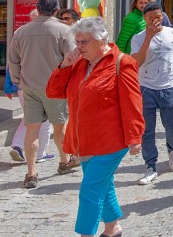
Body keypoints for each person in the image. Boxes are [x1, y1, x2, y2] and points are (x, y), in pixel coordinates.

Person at [45, 18, 144, 237]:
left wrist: (135, 136)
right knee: (103, 184)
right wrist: (63, 66)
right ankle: (112, 227)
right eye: (76, 42)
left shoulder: (122, 62)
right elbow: (53, 92)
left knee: (90, 190)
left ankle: (85, 234)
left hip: (111, 141)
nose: (78, 47)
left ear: (101, 40)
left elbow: (133, 102)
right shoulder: (79, 63)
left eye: (83, 42)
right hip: (84, 140)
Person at [7, 0, 75, 189]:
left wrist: (18, 81)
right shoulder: (64, 31)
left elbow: (13, 61)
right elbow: (71, 59)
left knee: (32, 130)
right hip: (55, 87)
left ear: (38, 8)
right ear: (56, 10)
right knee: (60, 126)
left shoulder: (21, 32)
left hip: (29, 86)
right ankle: (64, 160)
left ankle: (31, 172)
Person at [130, 2, 173, 185]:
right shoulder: (138, 38)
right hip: (146, 88)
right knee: (146, 130)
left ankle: (172, 149)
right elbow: (136, 63)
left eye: (158, 17)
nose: (155, 21)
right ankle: (150, 165)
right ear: (145, 19)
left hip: (169, 86)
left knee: (172, 126)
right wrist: (148, 38)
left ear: (162, 15)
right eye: (150, 19)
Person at [5, 69, 53, 165]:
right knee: (45, 120)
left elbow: (12, 64)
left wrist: (8, 87)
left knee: (30, 117)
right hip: (43, 85)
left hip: (22, 86)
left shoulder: (20, 52)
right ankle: (40, 153)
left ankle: (18, 145)